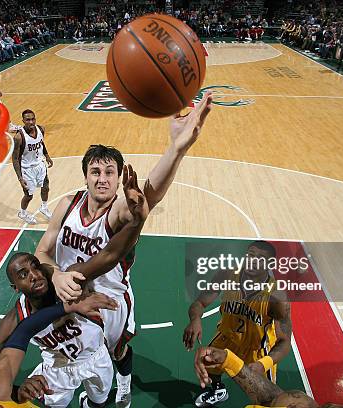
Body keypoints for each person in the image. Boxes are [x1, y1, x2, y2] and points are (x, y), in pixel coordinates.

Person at [35, 91, 213, 407]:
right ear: (86, 175)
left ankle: (125, 383)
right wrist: (56, 275)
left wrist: (176, 149)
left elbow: (149, 195)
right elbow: (42, 252)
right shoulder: (67, 204)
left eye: (109, 173)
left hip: (111, 301)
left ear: (118, 180)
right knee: (75, 356)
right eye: (95, 172)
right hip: (69, 297)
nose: (102, 179)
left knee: (117, 352)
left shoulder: (118, 210)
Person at [0, 165, 149, 407]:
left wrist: (137, 220)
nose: (35, 275)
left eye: (36, 267)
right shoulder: (17, 319)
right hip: (57, 367)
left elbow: (112, 253)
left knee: (101, 396)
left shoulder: (70, 283)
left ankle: (119, 384)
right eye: (24, 274)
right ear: (15, 287)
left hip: (95, 356)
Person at [0, 292, 118, 408]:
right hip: (60, 368)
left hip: (93, 358)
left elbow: (23, 332)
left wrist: (17, 395)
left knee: (97, 398)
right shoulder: (15, 317)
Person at [184, 241, 292, 407]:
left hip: (257, 350)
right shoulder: (227, 274)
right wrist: (195, 319)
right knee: (208, 363)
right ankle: (218, 390)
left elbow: (284, 342)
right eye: (251, 254)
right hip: (227, 337)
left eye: (261, 258)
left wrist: (263, 364)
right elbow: (200, 302)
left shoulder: (277, 298)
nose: (253, 260)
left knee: (268, 400)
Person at [194, 347, 343, 408]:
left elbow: (284, 343)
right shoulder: (303, 403)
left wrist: (264, 362)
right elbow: (273, 399)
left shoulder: (278, 302)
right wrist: (229, 361)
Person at [12, 109, 54, 224]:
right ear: (23, 121)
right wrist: (20, 178)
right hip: (27, 169)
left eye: (32, 119)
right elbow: (15, 159)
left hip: (40, 164)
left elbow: (41, 143)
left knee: (46, 187)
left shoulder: (41, 129)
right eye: (27, 120)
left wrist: (47, 155)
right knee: (28, 195)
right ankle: (23, 213)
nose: (31, 122)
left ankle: (44, 207)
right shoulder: (19, 137)